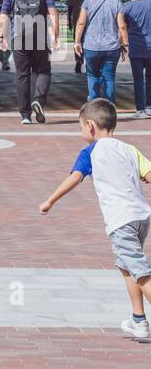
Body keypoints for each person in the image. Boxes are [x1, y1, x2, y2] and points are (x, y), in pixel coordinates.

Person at [40, 98, 151, 342]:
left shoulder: (91, 152)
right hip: (141, 217)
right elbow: (149, 173)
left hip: (120, 221)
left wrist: (50, 200)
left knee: (141, 273)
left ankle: (141, 320)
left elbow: (75, 178)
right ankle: (138, 320)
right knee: (126, 266)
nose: (81, 132)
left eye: (80, 127)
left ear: (90, 125)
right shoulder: (129, 148)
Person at [0, 0, 59, 126]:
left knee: (22, 76)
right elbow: (53, 13)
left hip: (18, 36)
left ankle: (25, 115)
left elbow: (4, 16)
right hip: (39, 36)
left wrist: (1, 37)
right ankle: (38, 99)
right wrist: (56, 35)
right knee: (43, 70)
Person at [75, 0, 129, 104]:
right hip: (111, 47)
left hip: (91, 45)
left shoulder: (88, 1)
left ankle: (94, 104)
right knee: (109, 77)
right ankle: (110, 106)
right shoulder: (116, 3)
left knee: (92, 75)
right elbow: (122, 26)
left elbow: (81, 23)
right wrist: (125, 45)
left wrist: (77, 42)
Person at [124, 0, 151, 117]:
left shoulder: (127, 7)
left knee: (138, 79)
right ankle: (149, 106)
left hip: (136, 47)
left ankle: (140, 108)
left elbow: (124, 27)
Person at [66, 0, 92, 74]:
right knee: (89, 40)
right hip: (90, 17)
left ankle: (79, 60)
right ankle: (89, 62)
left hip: (76, 16)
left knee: (78, 40)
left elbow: (70, 6)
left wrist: (69, 20)